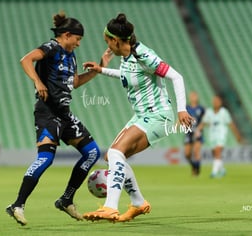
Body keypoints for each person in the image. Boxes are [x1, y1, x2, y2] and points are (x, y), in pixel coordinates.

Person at [82, 13, 194, 222]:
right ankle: (138, 203)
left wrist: (182, 109)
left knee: (116, 152)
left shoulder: (144, 55)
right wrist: (101, 70)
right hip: (143, 115)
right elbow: (128, 76)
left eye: (107, 41)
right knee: (112, 157)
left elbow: (176, 76)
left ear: (116, 40)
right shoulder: (127, 58)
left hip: (158, 115)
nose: (106, 45)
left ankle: (110, 207)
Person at [6, 11, 108, 226]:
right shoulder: (51, 47)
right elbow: (26, 60)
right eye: (78, 39)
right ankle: (17, 204)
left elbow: (74, 83)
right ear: (67, 35)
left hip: (64, 113)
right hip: (47, 112)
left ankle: (66, 199)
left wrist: (99, 69)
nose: (79, 44)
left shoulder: (71, 56)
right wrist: (37, 82)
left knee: (92, 153)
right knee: (45, 159)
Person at [195, 94, 242, 178]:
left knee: (217, 151)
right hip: (212, 135)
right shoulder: (209, 112)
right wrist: (198, 130)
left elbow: (231, 124)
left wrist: (237, 135)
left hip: (221, 134)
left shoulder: (224, 112)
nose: (215, 102)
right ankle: (222, 169)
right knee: (215, 153)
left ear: (220, 102)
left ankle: (214, 172)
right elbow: (204, 122)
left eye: (217, 101)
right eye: (214, 101)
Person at [184, 91, 205, 176]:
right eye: (192, 96)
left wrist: (199, 129)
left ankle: (197, 171)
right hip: (189, 133)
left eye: (195, 96)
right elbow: (181, 118)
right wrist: (176, 125)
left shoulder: (201, 108)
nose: (193, 97)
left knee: (196, 152)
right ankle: (194, 166)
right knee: (187, 154)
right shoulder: (186, 108)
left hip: (197, 133)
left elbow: (204, 120)